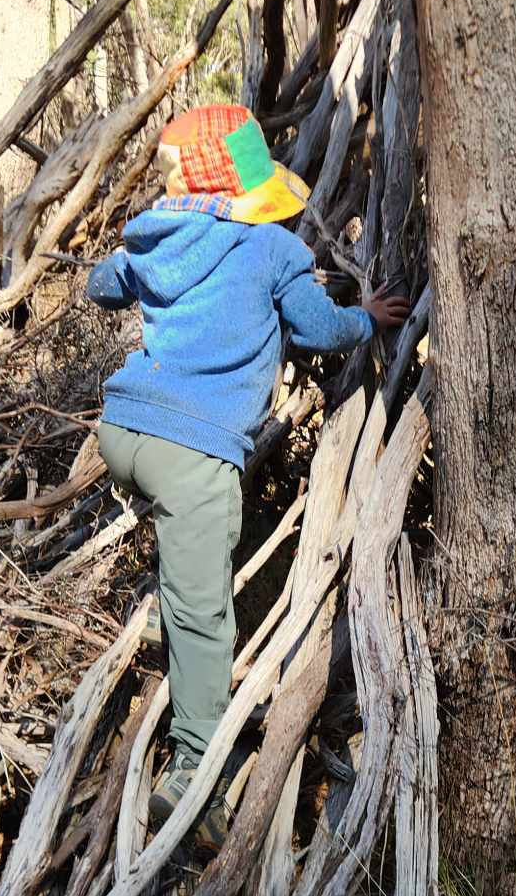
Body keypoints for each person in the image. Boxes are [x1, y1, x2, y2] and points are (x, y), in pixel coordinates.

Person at [89, 102, 410, 846]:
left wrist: (139, 261)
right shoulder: (268, 249)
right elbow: (320, 330)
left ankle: (190, 681)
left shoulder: (156, 242)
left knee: (191, 571)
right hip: (192, 448)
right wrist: (366, 316)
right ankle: (192, 780)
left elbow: (103, 285)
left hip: (126, 432)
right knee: (202, 616)